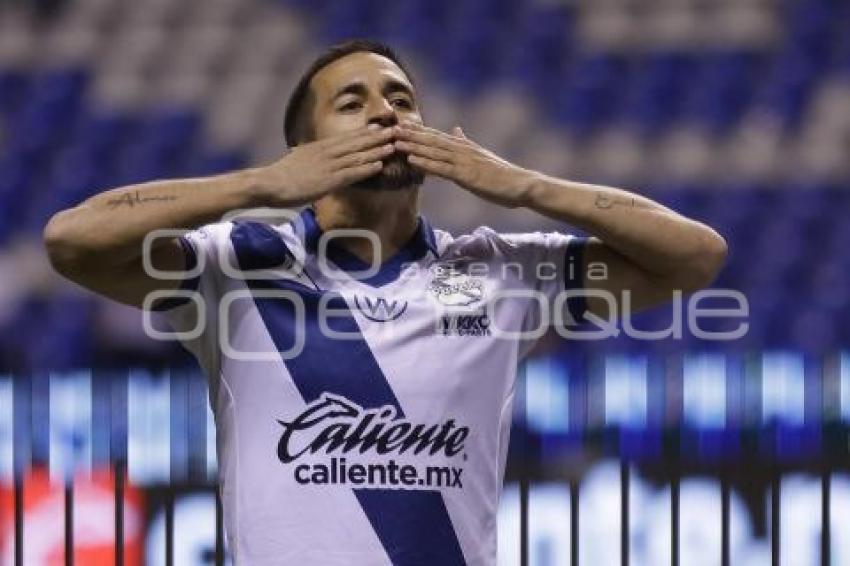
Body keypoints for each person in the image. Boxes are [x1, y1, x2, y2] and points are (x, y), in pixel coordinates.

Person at [43, 40, 726, 565]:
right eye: (352, 103)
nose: (386, 112)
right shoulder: (237, 265)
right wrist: (261, 183)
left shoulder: (498, 269)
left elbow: (695, 256)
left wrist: (524, 187)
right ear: (304, 152)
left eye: (401, 98)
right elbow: (72, 240)